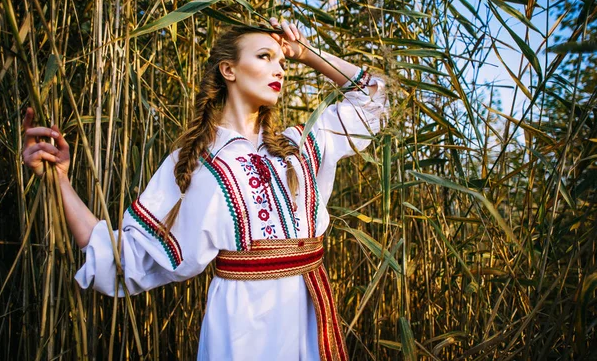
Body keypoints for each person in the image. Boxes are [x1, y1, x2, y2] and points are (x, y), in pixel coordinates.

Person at [22, 18, 388, 360]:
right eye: (264, 56)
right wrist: (60, 181)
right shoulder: (196, 163)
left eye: (282, 62)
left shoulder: (299, 146)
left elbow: (372, 97)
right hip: (244, 324)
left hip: (310, 311)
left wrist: (308, 54)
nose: (279, 69)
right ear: (228, 70)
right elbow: (127, 256)